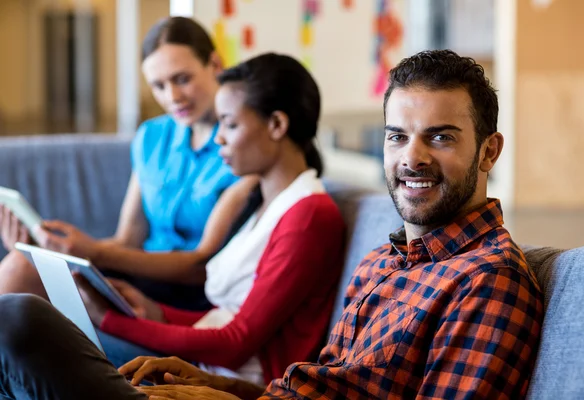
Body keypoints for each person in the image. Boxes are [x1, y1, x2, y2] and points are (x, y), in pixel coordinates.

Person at [0, 50, 544, 400]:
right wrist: (207, 385)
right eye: (397, 136)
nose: (413, 158)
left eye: (441, 137)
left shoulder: (488, 278)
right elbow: (321, 385)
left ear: (490, 151)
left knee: (21, 319)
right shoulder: (385, 260)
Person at [0, 17, 257, 310]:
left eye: (182, 79)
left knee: (23, 274)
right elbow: (128, 239)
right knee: (22, 264)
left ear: (215, 63)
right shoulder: (151, 136)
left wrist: (94, 252)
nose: (172, 97)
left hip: (192, 292)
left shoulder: (242, 146)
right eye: (158, 86)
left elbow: (202, 265)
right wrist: (55, 252)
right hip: (138, 276)